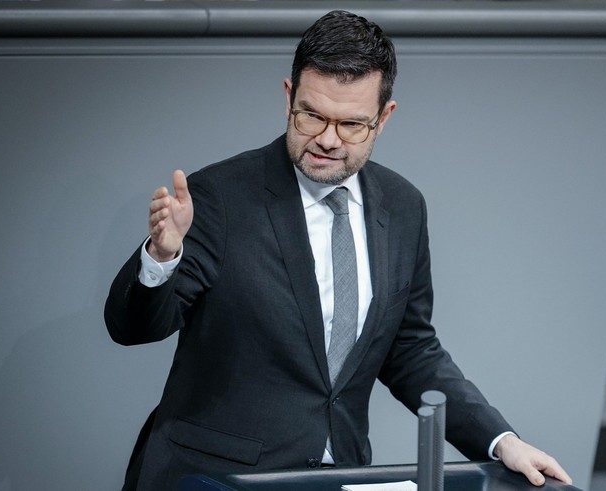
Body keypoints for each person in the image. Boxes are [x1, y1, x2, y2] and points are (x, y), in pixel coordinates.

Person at [105, 10, 571, 491]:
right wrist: (161, 258)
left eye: (351, 124)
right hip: (216, 478)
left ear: (384, 118)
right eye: (312, 115)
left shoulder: (403, 206)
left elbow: (411, 351)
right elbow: (133, 329)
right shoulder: (221, 197)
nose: (327, 140)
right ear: (289, 98)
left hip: (338, 477)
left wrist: (500, 441)